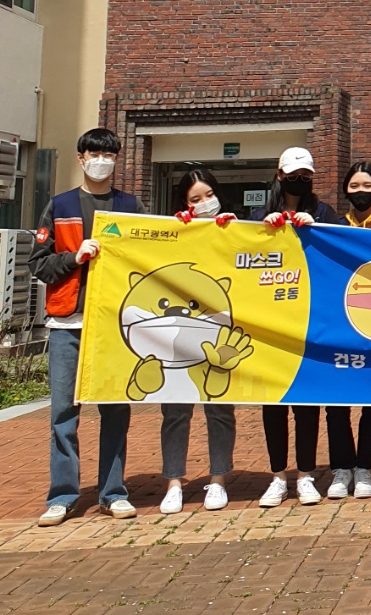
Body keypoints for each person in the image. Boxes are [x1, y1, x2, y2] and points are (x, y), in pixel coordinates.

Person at [28, 128, 143, 526]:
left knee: (116, 411)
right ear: (81, 158)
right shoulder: (59, 205)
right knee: (63, 412)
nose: (101, 161)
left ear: (117, 159)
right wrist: (74, 257)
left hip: (114, 326)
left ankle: (113, 493)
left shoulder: (131, 206)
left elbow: (155, 255)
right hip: (68, 325)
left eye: (108, 155)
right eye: (94, 154)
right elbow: (38, 263)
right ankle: (62, 496)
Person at [250, 147, 338, 507]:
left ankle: (305, 475)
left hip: (309, 321)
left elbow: (341, 248)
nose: (299, 180)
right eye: (293, 174)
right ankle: (277, 476)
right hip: (269, 324)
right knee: (273, 404)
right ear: (279, 174)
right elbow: (240, 252)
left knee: (306, 403)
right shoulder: (258, 215)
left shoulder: (324, 212)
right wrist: (263, 230)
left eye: (305, 175)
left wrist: (317, 230)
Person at [159, 169, 238, 513]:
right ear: (184, 204)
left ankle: (218, 480)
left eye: (209, 195)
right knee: (175, 409)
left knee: (219, 408)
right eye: (195, 199)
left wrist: (240, 233)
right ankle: (174, 483)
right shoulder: (174, 232)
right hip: (177, 333)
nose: (205, 203)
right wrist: (175, 234)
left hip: (217, 333)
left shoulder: (234, 229)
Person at [326, 160, 371, 501]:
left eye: (367, 186)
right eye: (354, 186)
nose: (360, 192)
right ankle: (341, 468)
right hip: (341, 322)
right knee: (335, 400)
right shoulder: (336, 227)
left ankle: (365, 466)